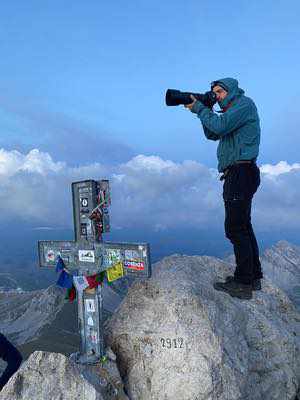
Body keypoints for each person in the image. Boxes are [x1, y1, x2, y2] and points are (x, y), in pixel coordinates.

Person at [185, 77, 262, 300]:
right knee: (244, 227)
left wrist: (200, 108)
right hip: (239, 173)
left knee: (235, 228)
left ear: (231, 91)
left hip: (240, 173)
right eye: (215, 92)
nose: (217, 96)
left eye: (220, 92)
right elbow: (213, 133)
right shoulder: (232, 113)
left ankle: (243, 283)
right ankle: (253, 277)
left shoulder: (243, 105)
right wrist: (204, 110)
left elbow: (219, 125)